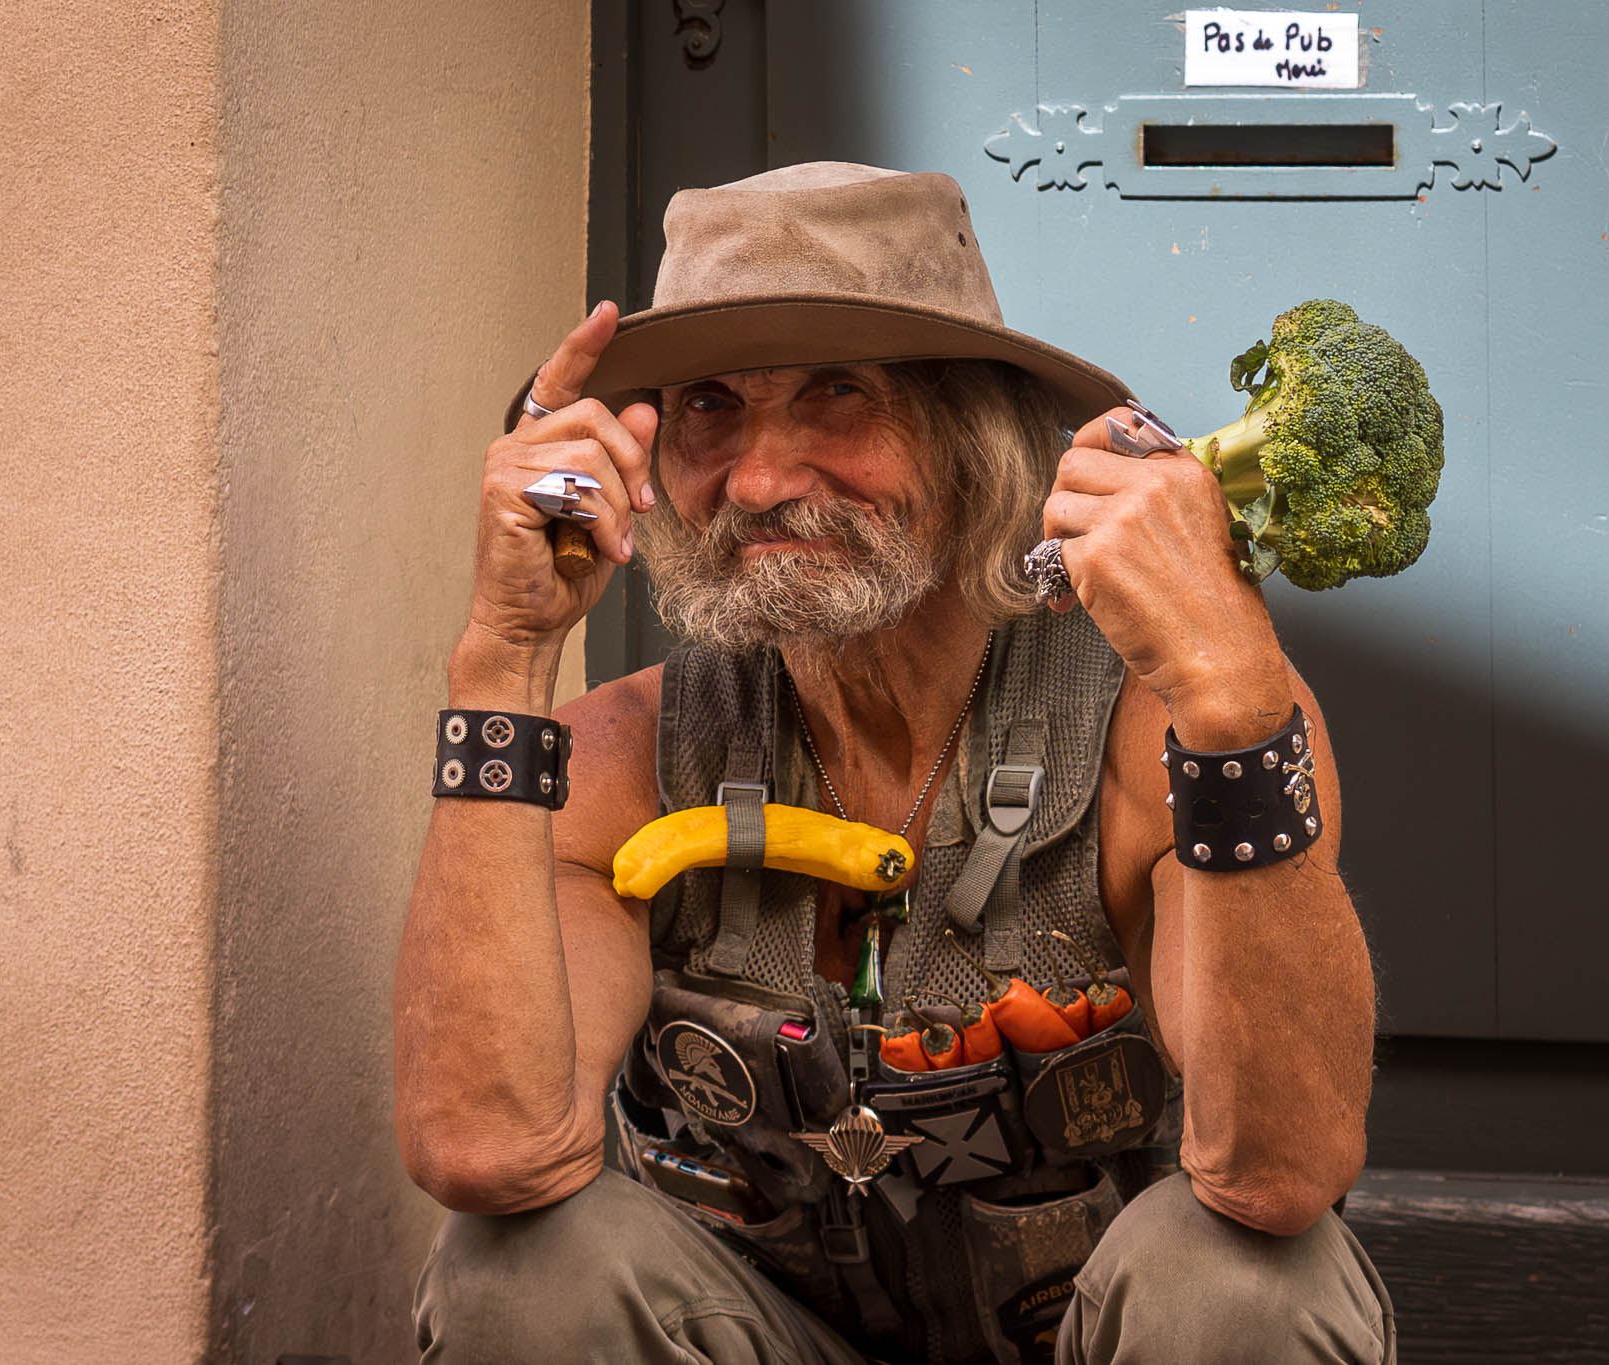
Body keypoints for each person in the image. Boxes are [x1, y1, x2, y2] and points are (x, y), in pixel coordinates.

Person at [394, 161, 1394, 1364]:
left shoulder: (1162, 737)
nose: (759, 479)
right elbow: (490, 1152)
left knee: (1238, 1286)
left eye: (834, 395)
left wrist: (1232, 696)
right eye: (710, 405)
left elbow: (1278, 1177)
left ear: (969, 434)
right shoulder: (617, 755)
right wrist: (501, 662)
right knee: (520, 1272)